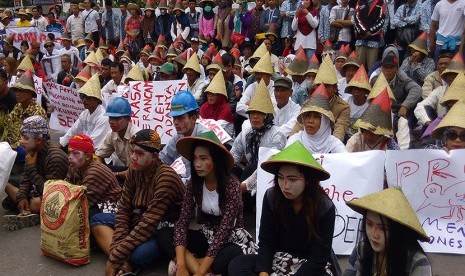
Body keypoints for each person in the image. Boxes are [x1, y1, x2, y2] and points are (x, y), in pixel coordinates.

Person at [229, 140, 337, 275]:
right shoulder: (272, 197)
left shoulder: (325, 208)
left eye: (292, 179)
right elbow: (266, 241)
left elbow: (319, 257)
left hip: (308, 265)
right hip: (278, 258)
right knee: (237, 265)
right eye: (280, 177)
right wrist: (264, 273)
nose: (285, 185)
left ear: (307, 180)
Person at [158, 131, 256, 275]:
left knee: (229, 260)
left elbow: (224, 231)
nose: (198, 164)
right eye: (195, 158)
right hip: (207, 234)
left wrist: (200, 272)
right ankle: (188, 265)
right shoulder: (194, 183)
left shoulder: (232, 185)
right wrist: (181, 264)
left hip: (231, 239)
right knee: (165, 234)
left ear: (216, 160)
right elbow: (183, 222)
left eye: (203, 158)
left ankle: (198, 265)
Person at [93, 129, 185, 275]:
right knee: (98, 220)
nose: (134, 157)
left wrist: (115, 257)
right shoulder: (134, 170)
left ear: (154, 157)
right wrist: (116, 253)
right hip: (138, 220)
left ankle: (129, 262)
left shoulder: (166, 177)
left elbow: (149, 223)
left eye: (140, 153)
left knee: (139, 255)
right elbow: (124, 209)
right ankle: (125, 263)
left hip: (163, 228)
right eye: (132, 151)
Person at [344, 187, 432, 276]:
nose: (374, 235)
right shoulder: (361, 250)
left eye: (383, 228)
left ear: (398, 231)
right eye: (369, 224)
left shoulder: (417, 262)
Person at [2, 116, 68, 221]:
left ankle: (28, 210)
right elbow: (26, 178)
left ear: (38, 140)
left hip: (55, 195)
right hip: (38, 188)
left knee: (36, 204)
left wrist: (31, 167)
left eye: (26, 138)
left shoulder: (55, 158)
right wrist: (22, 196)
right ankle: (24, 207)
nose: (21, 141)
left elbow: (51, 193)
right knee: (7, 183)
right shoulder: (32, 151)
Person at [231, 80, 286, 198]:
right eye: (252, 113)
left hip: (270, 180)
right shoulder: (246, 133)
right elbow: (233, 157)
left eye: (260, 113)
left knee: (253, 166)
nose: (255, 117)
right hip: (247, 177)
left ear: (267, 116)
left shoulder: (277, 136)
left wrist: (243, 187)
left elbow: (267, 168)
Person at [65, 134, 122, 222]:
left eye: (75, 153)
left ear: (87, 156)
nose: (70, 157)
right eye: (69, 152)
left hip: (111, 206)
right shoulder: (74, 166)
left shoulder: (94, 172)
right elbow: (66, 188)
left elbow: (81, 204)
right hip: (93, 202)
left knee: (76, 217)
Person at [159, 91, 209, 182]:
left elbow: (203, 176)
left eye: (180, 118)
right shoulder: (179, 135)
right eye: (174, 118)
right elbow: (163, 158)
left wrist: (177, 183)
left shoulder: (204, 136)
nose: (176, 122)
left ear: (193, 118)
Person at [287, 83, 347, 154]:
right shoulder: (295, 140)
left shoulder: (334, 145)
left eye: (316, 117)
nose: (310, 121)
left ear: (325, 122)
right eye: (307, 116)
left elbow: (345, 161)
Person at [59, 74, 111, 150]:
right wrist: (59, 147)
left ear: (97, 100)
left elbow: (92, 143)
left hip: (97, 152)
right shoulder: (84, 114)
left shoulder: (103, 117)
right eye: (82, 97)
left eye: (88, 98)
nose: (84, 100)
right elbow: (72, 131)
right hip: (84, 148)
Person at [1, 70, 46, 150]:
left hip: (30, 147)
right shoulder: (18, 106)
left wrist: (10, 147)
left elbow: (32, 140)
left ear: (30, 93)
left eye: (21, 91)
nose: (17, 94)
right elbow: (8, 123)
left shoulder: (38, 112)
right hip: (15, 142)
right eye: (16, 90)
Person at [346, 87, 400, 152]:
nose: (369, 136)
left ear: (381, 133)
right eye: (366, 132)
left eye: (373, 133)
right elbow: (346, 157)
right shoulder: (355, 140)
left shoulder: (390, 144)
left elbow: (398, 158)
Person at [353, 0, 386, 70]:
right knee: (358, 66)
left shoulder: (381, 3)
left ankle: (371, 81)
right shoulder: (359, 2)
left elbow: (381, 20)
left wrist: (370, 31)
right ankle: (358, 81)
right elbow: (356, 19)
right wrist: (364, 31)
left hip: (373, 40)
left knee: (372, 68)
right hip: (361, 39)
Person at [200, 70, 234, 136]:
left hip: (225, 142)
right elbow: (200, 125)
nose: (210, 96)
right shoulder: (204, 107)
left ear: (219, 96)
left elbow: (216, 128)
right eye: (208, 94)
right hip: (206, 137)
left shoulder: (226, 108)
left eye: (213, 94)